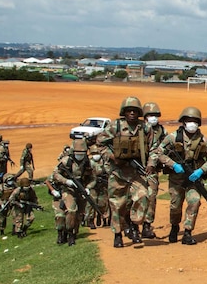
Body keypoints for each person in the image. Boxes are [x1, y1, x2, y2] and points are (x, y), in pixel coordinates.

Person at [152, 107, 207, 245]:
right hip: (176, 178)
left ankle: (187, 232)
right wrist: (172, 164)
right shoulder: (172, 137)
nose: (191, 123)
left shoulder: (204, 140)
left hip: (193, 178)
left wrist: (201, 170)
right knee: (175, 205)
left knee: (194, 201)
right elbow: (159, 152)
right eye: (189, 120)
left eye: (194, 121)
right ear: (183, 122)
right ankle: (174, 227)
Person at [96, 96, 151, 248]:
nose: (132, 113)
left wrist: (151, 163)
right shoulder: (115, 127)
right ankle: (117, 234)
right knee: (117, 205)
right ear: (124, 113)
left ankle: (134, 224)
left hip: (136, 172)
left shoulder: (144, 128)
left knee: (143, 196)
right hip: (118, 172)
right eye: (129, 110)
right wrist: (113, 157)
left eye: (135, 110)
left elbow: (153, 148)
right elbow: (100, 143)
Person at [52, 138, 96, 246]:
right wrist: (66, 181)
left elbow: (93, 178)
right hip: (68, 189)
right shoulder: (66, 161)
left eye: (82, 153)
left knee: (79, 214)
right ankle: (69, 234)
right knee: (71, 210)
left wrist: (88, 188)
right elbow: (55, 174)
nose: (80, 155)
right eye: (78, 153)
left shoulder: (87, 162)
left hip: (81, 190)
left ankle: (74, 231)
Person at [142, 102, 167, 239]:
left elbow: (167, 147)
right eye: (151, 115)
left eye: (156, 115)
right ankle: (131, 225)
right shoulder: (139, 129)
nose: (154, 118)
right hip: (135, 170)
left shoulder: (162, 131)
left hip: (152, 170)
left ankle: (147, 225)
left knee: (151, 198)